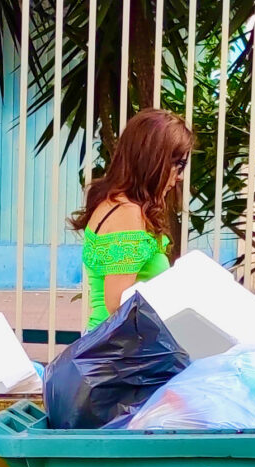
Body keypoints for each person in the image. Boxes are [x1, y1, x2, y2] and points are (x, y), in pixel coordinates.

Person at [69, 109, 194, 331]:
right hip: (119, 348)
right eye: (178, 165)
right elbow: (118, 305)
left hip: (114, 343)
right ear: (153, 161)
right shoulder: (127, 214)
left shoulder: (113, 202)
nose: (180, 176)